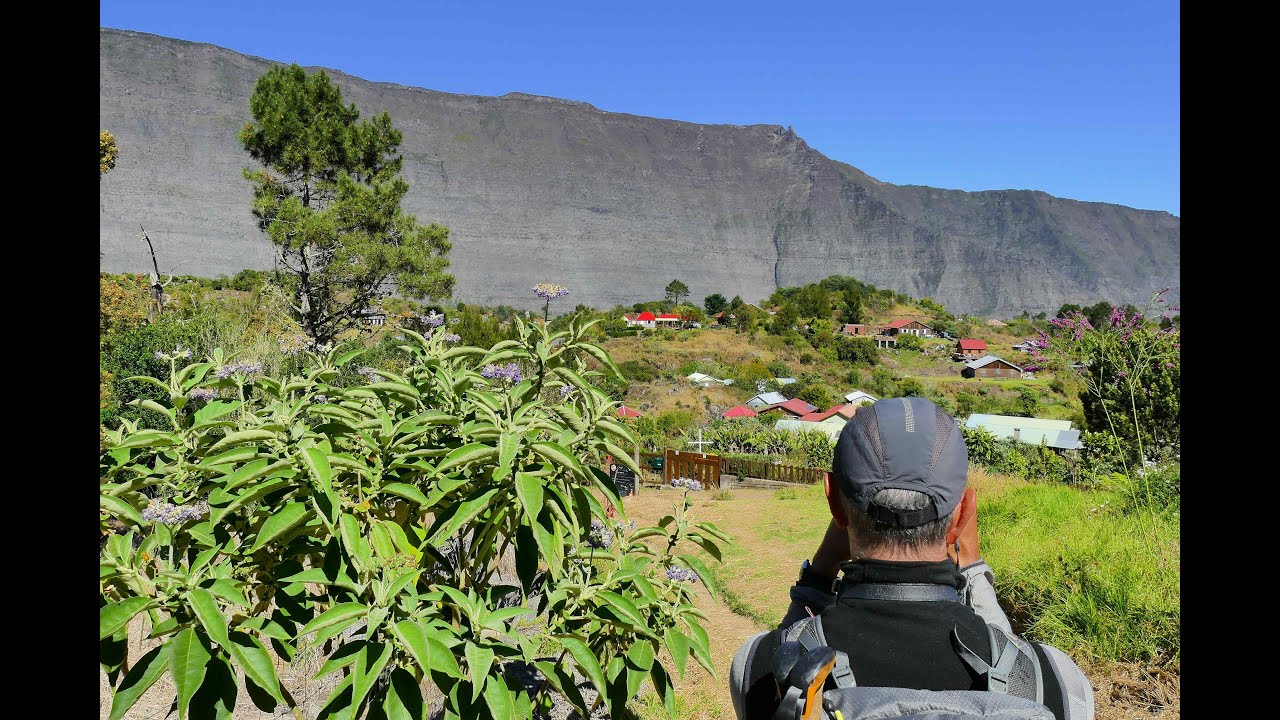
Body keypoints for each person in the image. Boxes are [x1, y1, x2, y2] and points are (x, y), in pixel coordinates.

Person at [729, 397, 1094, 720]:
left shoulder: (760, 670)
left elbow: (791, 641)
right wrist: (973, 569)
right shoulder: (1056, 685)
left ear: (833, 502)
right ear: (963, 512)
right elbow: (1006, 654)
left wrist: (818, 577)